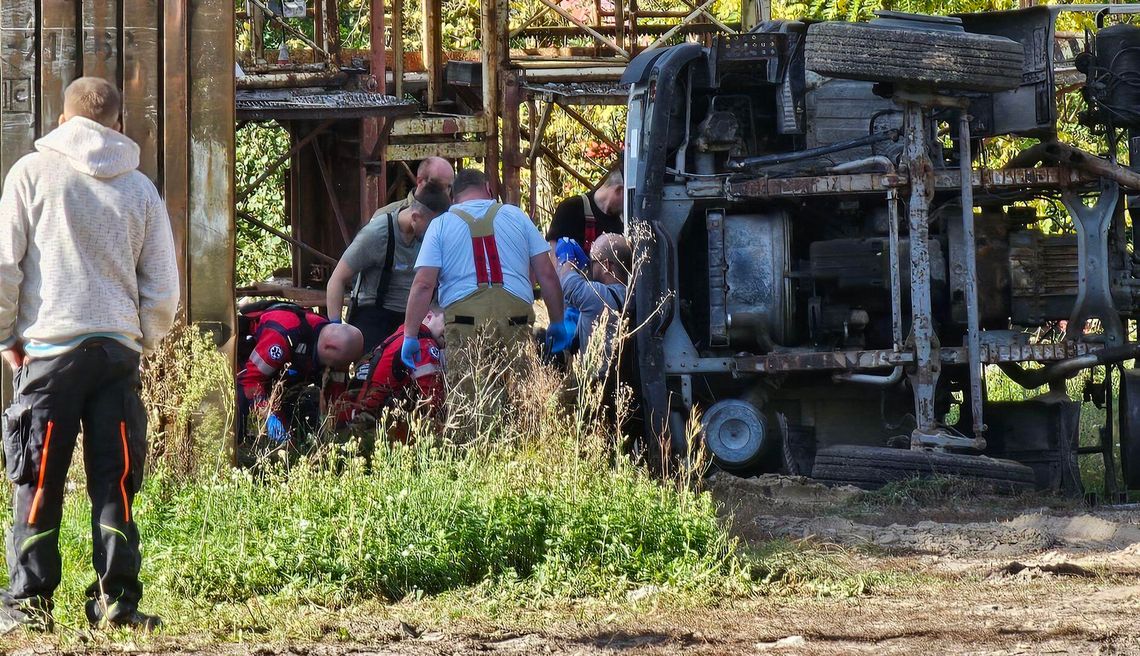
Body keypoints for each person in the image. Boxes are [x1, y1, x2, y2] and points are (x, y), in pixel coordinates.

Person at [0, 77, 179, 631]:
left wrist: (7, 336)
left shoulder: (30, 174)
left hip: (50, 354)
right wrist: (141, 338)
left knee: (37, 478)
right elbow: (164, 287)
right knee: (115, 480)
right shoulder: (141, 189)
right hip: (116, 353)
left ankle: (30, 606)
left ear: (61, 122)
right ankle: (118, 602)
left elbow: (5, 267)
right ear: (119, 125)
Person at [401, 169, 572, 368]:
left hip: (465, 323)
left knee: (471, 393)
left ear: (452, 198)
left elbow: (423, 284)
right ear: (489, 189)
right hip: (516, 319)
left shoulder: (440, 225)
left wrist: (410, 335)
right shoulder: (517, 216)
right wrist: (557, 322)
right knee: (516, 391)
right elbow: (547, 275)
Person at [325, 183, 451, 353]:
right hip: (374, 315)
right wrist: (335, 328)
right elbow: (337, 279)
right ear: (415, 217)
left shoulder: (429, 239)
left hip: (411, 318)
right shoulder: (377, 234)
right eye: (433, 227)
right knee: (374, 371)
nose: (436, 233)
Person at [237, 303, 363, 443]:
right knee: (240, 398)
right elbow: (249, 381)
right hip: (251, 358)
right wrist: (270, 416)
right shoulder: (282, 337)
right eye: (342, 364)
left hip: (287, 367)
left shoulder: (331, 343)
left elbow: (335, 394)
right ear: (329, 347)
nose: (344, 367)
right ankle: (240, 442)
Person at [334, 306, 446, 443]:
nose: (449, 330)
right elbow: (432, 396)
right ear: (428, 317)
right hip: (378, 420)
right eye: (446, 322)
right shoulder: (423, 344)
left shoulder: (400, 334)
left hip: (363, 411)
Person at [556, 233, 631, 365]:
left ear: (606, 265)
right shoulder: (631, 294)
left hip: (596, 380)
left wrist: (566, 259)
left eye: (592, 261)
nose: (589, 265)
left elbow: (568, 284)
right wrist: (587, 268)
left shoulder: (600, 296)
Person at [545, 170, 624, 254]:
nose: (629, 203)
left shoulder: (623, 221)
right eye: (628, 195)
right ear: (618, 190)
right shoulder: (571, 208)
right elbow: (553, 254)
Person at [375, 156, 454, 217]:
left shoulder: (454, 217)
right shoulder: (386, 216)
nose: (444, 192)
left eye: (448, 187)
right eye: (437, 185)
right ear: (419, 181)